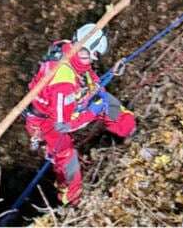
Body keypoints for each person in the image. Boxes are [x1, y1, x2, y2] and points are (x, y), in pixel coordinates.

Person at [23, 24, 136, 206]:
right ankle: (71, 200)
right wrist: (92, 111)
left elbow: (87, 74)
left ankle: (129, 129)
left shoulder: (70, 48)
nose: (93, 61)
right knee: (67, 157)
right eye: (94, 56)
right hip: (46, 122)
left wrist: (109, 76)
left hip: (64, 104)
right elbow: (64, 125)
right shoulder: (63, 82)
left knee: (106, 100)